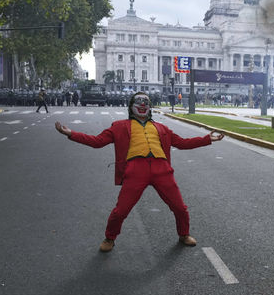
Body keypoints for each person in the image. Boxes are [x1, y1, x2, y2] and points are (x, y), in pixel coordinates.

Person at [54, 91, 224, 252]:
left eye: (146, 102)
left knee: (179, 207)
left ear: (150, 107)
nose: (143, 104)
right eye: (139, 101)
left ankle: (184, 234)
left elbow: (182, 143)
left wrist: (206, 139)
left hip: (162, 169)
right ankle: (109, 238)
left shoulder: (161, 128)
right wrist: (71, 134)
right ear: (131, 106)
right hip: (135, 170)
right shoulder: (119, 126)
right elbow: (97, 141)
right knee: (121, 210)